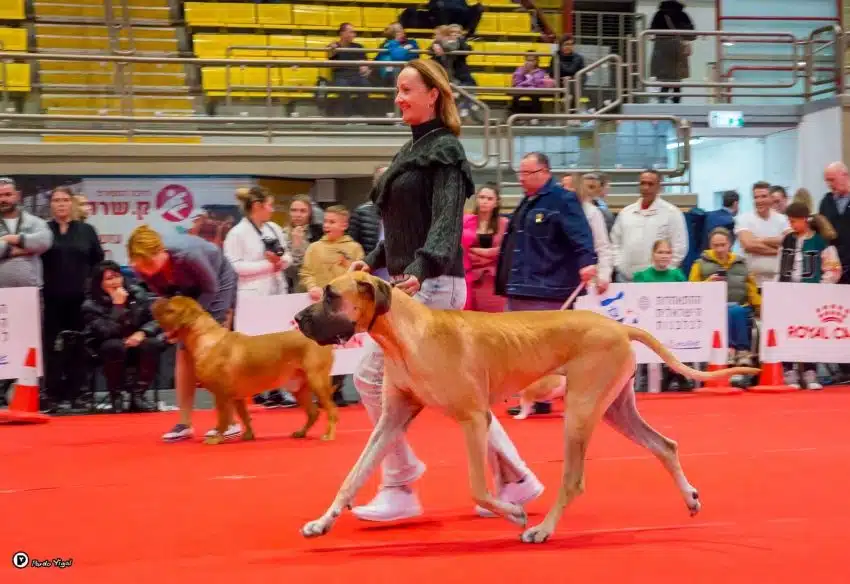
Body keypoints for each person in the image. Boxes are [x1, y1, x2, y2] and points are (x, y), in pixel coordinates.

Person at [348, 58, 543, 522]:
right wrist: (372, 263)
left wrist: (419, 266)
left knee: (372, 379)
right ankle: (515, 478)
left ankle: (402, 482)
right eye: (397, 91)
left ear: (433, 94)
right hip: (412, 284)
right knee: (458, 398)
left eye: (406, 90)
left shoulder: (446, 150)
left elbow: (445, 221)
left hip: (431, 286)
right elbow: (398, 229)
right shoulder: (413, 150)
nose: (398, 98)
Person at [126, 225, 238, 442]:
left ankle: (229, 421)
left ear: (161, 251)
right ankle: (184, 423)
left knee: (213, 352)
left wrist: (190, 320)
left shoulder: (188, 255)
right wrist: (174, 328)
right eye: (142, 265)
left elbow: (210, 288)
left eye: (150, 263)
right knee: (183, 349)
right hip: (184, 290)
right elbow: (165, 296)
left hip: (216, 282)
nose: (147, 270)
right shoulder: (140, 266)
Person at [223, 185, 296, 409]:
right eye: (269, 205)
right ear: (257, 207)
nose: (272, 210)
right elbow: (234, 266)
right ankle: (255, 389)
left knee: (276, 345)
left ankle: (276, 389)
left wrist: (280, 262)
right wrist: (268, 265)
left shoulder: (273, 228)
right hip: (252, 296)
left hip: (275, 292)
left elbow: (288, 256)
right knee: (254, 347)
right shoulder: (237, 233)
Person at [40, 187, 104, 410]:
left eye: (65, 200)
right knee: (53, 346)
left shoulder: (87, 230)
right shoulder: (44, 230)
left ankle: (78, 393)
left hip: (81, 300)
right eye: (56, 200)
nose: (61, 204)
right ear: (51, 205)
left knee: (79, 345)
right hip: (52, 299)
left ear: (72, 203)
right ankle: (53, 394)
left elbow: (99, 263)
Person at [81, 260, 163, 412]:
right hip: (105, 344)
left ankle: (137, 396)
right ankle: (116, 396)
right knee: (114, 346)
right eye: (109, 279)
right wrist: (117, 306)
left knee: (152, 343)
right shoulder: (90, 304)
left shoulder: (137, 293)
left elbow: (156, 320)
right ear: (99, 283)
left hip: (135, 340)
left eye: (117, 276)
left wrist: (142, 332)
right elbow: (104, 332)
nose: (115, 282)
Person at [777, 203, 842, 390]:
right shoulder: (787, 240)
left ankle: (810, 371)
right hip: (788, 292)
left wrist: (821, 288)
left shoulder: (820, 242)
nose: (791, 224)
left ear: (804, 219)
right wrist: (776, 287)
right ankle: (789, 370)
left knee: (808, 331)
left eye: (793, 221)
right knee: (788, 330)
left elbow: (833, 268)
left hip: (810, 294)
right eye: (789, 221)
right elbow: (779, 265)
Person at [689, 227, 761, 367]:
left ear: (730, 244)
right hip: (711, 309)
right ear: (710, 245)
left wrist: (761, 307)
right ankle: (741, 351)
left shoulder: (742, 264)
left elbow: (752, 291)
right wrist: (708, 283)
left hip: (742, 307)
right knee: (731, 310)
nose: (720, 249)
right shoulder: (699, 264)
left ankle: (731, 351)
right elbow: (692, 291)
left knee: (735, 309)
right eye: (716, 245)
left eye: (723, 245)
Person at [610, 169, 688, 281]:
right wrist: (619, 265)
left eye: (650, 184)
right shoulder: (625, 213)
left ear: (659, 187)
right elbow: (614, 243)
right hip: (625, 278)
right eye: (643, 183)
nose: (646, 188)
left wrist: (664, 273)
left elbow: (679, 248)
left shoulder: (672, 213)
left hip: (659, 281)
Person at [734, 181, 791, 290]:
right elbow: (749, 245)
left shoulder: (783, 219)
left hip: (778, 282)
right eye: (756, 197)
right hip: (751, 282)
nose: (759, 200)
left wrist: (761, 240)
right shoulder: (743, 219)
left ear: (771, 198)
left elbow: (790, 242)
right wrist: (779, 250)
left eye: (763, 196)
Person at [461, 183, 508, 312]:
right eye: (481, 197)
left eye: (489, 199)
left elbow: (506, 250)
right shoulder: (464, 221)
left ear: (496, 203)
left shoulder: (504, 224)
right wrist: (491, 254)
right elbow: (462, 250)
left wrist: (484, 252)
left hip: (492, 281)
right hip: (468, 279)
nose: (484, 201)